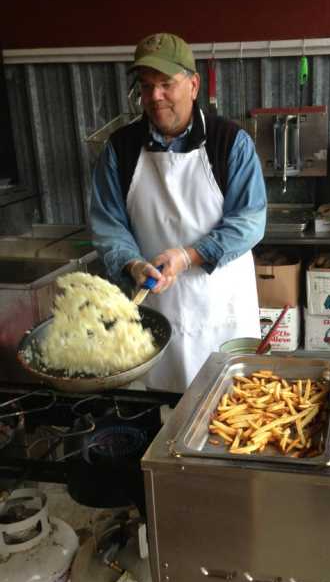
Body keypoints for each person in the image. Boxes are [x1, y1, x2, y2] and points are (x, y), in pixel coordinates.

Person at [90, 33, 267, 392]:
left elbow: (250, 221)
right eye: (146, 86)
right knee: (160, 410)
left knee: (230, 409)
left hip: (222, 307)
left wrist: (189, 256)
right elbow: (108, 224)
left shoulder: (230, 143)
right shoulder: (120, 150)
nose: (154, 97)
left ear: (193, 85)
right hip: (156, 306)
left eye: (166, 84)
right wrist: (132, 264)